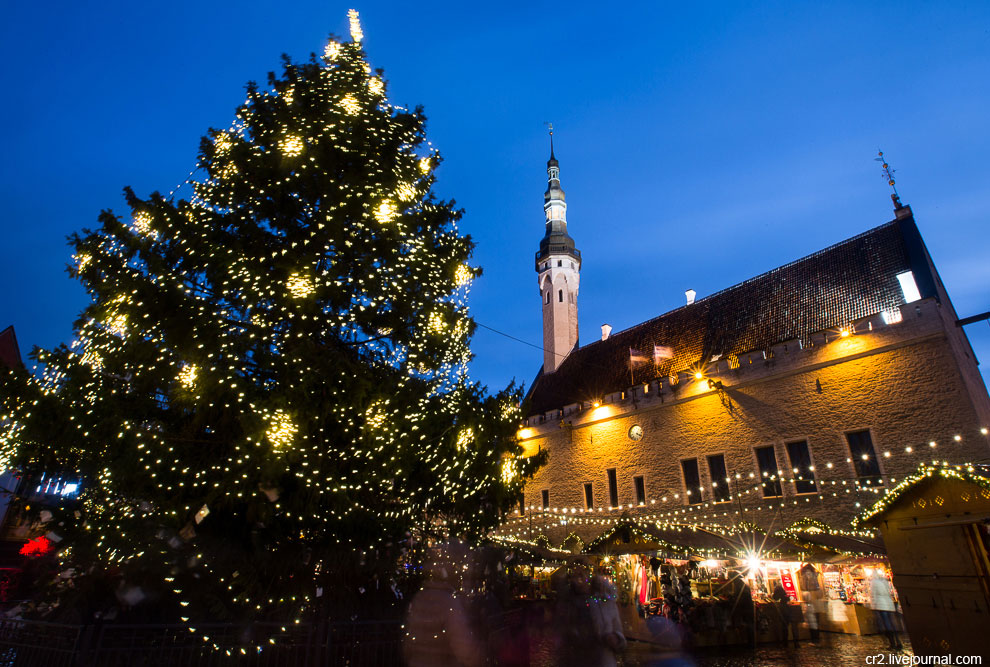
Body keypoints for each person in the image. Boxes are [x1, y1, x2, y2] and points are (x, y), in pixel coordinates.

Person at [403, 542, 483, 667]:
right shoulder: (449, 602)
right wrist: (479, 658)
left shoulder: (420, 597)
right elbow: (463, 645)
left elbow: (408, 638)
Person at [588, 575, 627, 667]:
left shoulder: (610, 605)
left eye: (602, 585)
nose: (600, 588)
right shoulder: (588, 604)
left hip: (606, 658)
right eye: (598, 585)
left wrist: (615, 638)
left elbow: (618, 628)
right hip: (589, 657)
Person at [868, 570, 903, 650]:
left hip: (881, 605)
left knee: (886, 624)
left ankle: (892, 643)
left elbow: (873, 594)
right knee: (892, 623)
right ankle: (898, 642)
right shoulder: (885, 581)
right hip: (889, 604)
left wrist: (873, 605)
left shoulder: (874, 582)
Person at [772, 581, 799, 647]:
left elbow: (775, 597)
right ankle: (796, 643)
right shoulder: (787, 595)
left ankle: (785, 642)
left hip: (785, 611)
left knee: (784, 626)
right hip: (792, 610)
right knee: (793, 626)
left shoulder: (781, 597)